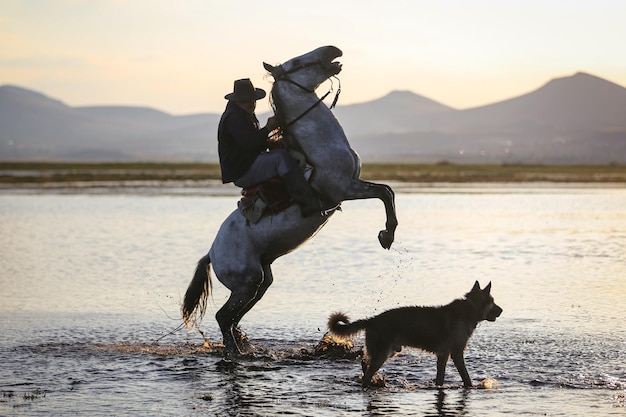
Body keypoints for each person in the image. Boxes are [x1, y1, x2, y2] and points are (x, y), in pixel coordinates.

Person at [218, 78, 322, 218]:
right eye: (247, 100)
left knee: (281, 152)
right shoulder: (234, 118)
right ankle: (307, 203)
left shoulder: (241, 114)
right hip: (242, 171)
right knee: (281, 158)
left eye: (253, 99)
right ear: (237, 101)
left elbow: (248, 144)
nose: (251, 103)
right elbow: (250, 144)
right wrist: (268, 128)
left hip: (245, 166)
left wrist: (268, 143)